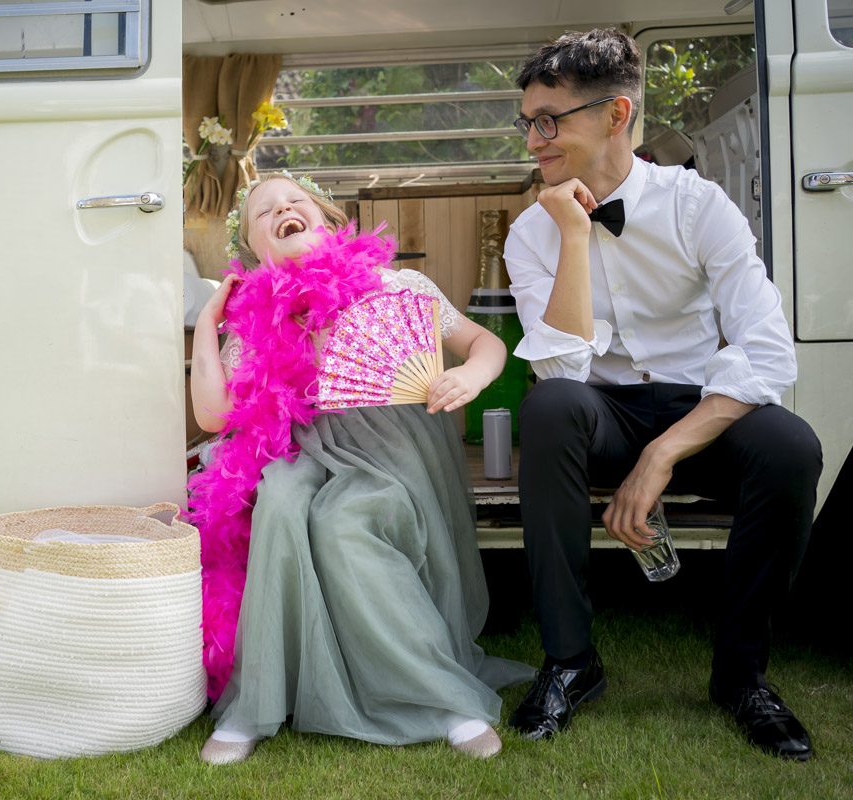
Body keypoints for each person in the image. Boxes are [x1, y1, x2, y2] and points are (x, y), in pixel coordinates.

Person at [502, 29, 822, 761]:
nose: (533, 141)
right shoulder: (533, 232)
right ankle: (571, 663)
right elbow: (562, 375)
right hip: (600, 409)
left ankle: (742, 676)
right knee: (548, 409)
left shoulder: (697, 205)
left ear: (616, 115)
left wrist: (663, 456)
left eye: (549, 121)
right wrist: (573, 238)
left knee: (792, 447)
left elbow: (768, 349)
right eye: (527, 122)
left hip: (699, 406)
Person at [188, 172, 533, 765]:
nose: (283, 210)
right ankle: (257, 703)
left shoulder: (397, 286)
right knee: (280, 500)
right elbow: (215, 415)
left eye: (295, 202)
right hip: (302, 448)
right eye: (265, 212)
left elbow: (486, 344)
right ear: (255, 250)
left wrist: (471, 376)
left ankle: (440, 695)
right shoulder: (258, 316)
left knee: (346, 523)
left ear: (324, 218)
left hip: (390, 448)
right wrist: (208, 324)